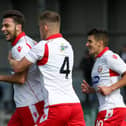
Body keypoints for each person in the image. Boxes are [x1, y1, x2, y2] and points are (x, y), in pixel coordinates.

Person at [9, 10, 86, 126]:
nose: (39, 30)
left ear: (45, 27)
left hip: (56, 106)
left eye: (39, 27)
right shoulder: (68, 45)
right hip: (75, 105)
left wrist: (11, 60)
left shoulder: (43, 46)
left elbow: (19, 68)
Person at [1, 10, 44, 126]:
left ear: (18, 27)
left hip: (31, 104)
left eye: (7, 26)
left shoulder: (21, 47)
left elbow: (21, 79)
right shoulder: (27, 41)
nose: (3, 29)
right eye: (2, 26)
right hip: (24, 105)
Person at [81, 28, 126, 126]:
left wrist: (110, 88)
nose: (87, 44)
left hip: (111, 110)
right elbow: (105, 85)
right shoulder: (98, 61)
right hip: (111, 109)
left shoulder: (109, 57)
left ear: (100, 43)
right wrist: (92, 90)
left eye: (90, 41)